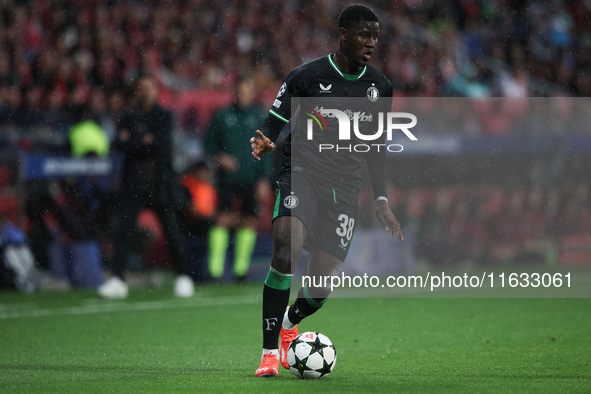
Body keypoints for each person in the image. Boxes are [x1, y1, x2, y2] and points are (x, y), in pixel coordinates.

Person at [250, 5, 404, 377]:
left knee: (320, 285)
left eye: (375, 38)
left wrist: (381, 198)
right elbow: (276, 117)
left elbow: (377, 145)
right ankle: (269, 354)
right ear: (343, 34)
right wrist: (267, 139)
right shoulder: (307, 76)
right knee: (286, 247)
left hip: (345, 189)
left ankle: (290, 323)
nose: (371, 44)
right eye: (364, 36)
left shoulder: (379, 87)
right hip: (303, 173)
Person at [98, 76, 194, 299]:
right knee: (123, 232)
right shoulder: (128, 115)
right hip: (134, 184)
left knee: (172, 232)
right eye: (141, 88)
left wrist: (134, 141)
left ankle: (183, 276)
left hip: (159, 183)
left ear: (155, 91)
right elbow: (118, 144)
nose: (145, 91)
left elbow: (159, 146)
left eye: (149, 87)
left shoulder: (163, 115)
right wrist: (142, 142)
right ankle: (118, 279)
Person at [204, 78, 271, 282]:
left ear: (252, 93)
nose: (243, 95)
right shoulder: (222, 116)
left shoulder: (258, 117)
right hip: (227, 178)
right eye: (240, 91)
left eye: (247, 91)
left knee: (248, 222)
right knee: (222, 219)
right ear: (235, 92)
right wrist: (219, 156)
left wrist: (264, 179)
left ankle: (240, 272)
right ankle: (215, 272)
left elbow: (267, 150)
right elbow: (208, 143)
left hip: (251, 178)